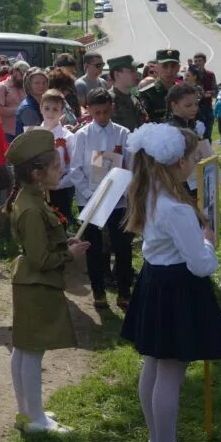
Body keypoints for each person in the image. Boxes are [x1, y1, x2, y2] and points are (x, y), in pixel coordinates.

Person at [120, 124, 221, 442]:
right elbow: (200, 265)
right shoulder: (175, 207)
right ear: (179, 162)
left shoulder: (149, 190)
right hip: (177, 287)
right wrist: (209, 242)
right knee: (170, 370)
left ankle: (157, 438)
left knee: (155, 362)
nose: (195, 161)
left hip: (156, 280)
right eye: (194, 156)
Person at [8, 129, 89, 434]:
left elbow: (41, 243)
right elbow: (40, 259)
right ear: (37, 173)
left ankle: (28, 411)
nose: (62, 170)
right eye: (56, 166)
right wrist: (69, 255)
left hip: (31, 283)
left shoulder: (33, 199)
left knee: (24, 349)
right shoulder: (30, 207)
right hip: (37, 284)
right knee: (31, 351)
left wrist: (62, 242)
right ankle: (36, 418)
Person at [68, 89, 134, 310]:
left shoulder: (123, 133)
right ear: (89, 111)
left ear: (112, 108)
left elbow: (131, 165)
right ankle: (98, 292)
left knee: (123, 245)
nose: (102, 117)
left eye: (106, 112)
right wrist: (89, 194)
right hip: (90, 198)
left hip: (119, 199)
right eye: (97, 113)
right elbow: (75, 169)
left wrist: (124, 189)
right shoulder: (83, 135)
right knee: (93, 247)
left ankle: (124, 291)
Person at [38, 90, 76, 222]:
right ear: (41, 108)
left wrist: (59, 184)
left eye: (55, 109)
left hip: (61, 188)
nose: (50, 113)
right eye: (47, 108)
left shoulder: (68, 137)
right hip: (39, 188)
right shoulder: (33, 134)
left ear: (62, 112)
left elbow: (74, 166)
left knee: (61, 222)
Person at [137, 49, 181, 124]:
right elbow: (144, 122)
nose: (169, 71)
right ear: (157, 68)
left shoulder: (183, 92)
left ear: (178, 68)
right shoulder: (147, 94)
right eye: (165, 66)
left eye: (173, 66)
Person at [107, 55, 147, 132]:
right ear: (117, 74)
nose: (136, 74)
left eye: (136, 70)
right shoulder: (108, 101)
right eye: (132, 71)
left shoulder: (134, 99)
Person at [191, 53, 217, 141]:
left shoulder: (210, 75)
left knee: (207, 135)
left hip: (207, 108)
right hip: (194, 109)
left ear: (204, 61)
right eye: (196, 61)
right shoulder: (190, 75)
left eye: (200, 61)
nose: (197, 63)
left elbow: (215, 91)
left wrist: (209, 93)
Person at [15, 68, 48, 135]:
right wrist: (57, 125)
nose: (41, 85)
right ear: (29, 85)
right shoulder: (27, 108)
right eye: (37, 83)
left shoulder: (43, 103)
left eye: (44, 82)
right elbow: (37, 134)